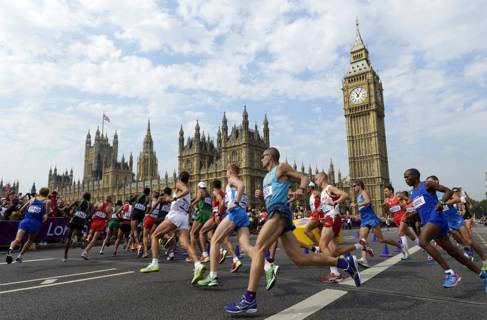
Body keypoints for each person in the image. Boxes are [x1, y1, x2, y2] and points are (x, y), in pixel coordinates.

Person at [224, 148, 360, 314]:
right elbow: (273, 196)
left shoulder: (281, 167)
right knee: (300, 259)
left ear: (270, 157)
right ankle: (344, 263)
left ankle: (249, 298)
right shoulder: (266, 177)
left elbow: (304, 177)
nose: (260, 159)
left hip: (279, 213)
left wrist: (301, 189)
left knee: (258, 249)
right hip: (275, 212)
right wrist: (260, 196)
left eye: (262, 156)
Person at [404, 168, 487, 289]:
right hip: (429, 222)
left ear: (415, 176)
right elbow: (423, 208)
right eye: (404, 178)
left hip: (437, 219)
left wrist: (442, 202)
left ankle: (450, 274)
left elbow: (447, 191)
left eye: (407, 176)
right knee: (454, 252)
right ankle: (483, 275)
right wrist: (412, 216)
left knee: (422, 241)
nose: (406, 179)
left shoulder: (426, 184)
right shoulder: (413, 194)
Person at [140, 171, 206, 285]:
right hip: (184, 218)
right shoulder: (187, 194)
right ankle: (198, 264)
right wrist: (170, 199)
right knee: (185, 243)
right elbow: (187, 203)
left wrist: (174, 199)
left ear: (180, 178)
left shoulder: (179, 184)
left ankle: (155, 263)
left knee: (154, 235)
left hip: (175, 216)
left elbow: (185, 191)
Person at [197, 164, 258, 287]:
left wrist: (234, 202)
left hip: (235, 213)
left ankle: (213, 276)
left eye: (226, 171)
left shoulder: (232, 180)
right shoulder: (236, 183)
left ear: (230, 172)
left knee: (214, 240)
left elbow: (241, 186)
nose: (226, 173)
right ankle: (269, 267)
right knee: (246, 246)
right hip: (242, 215)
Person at [315, 172, 374, 283]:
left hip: (332, 218)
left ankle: (335, 273)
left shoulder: (329, 187)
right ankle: (360, 246)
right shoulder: (323, 192)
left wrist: (335, 202)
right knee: (335, 251)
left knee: (322, 245)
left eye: (316, 178)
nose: (315, 180)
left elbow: (345, 194)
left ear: (322, 178)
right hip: (332, 218)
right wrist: (321, 208)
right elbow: (328, 203)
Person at [427, 177, 487, 266]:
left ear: (436, 182)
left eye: (430, 181)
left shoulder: (443, 192)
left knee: (469, 240)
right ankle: (467, 249)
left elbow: (458, 199)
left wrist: (444, 203)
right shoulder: (429, 195)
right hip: (445, 222)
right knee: (456, 238)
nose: (428, 183)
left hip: (456, 220)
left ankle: (484, 260)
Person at [351, 180, 405, 268]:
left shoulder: (364, 192)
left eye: (354, 186)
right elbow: (364, 208)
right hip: (364, 220)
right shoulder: (358, 196)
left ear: (359, 185)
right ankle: (364, 260)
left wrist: (357, 204)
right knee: (362, 239)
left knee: (381, 240)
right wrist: (358, 215)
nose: (353, 188)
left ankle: (400, 246)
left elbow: (368, 201)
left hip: (371, 219)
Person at [198, 180, 240, 271]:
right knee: (214, 235)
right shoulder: (223, 193)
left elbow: (222, 203)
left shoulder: (217, 193)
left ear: (213, 187)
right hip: (220, 216)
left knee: (201, 232)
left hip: (217, 216)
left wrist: (217, 214)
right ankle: (232, 257)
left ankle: (205, 255)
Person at [6, 187, 51, 264]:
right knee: (30, 240)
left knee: (17, 240)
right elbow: (46, 215)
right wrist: (45, 215)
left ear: (40, 192)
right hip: (35, 223)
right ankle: (19, 256)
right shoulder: (47, 201)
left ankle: (10, 250)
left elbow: (21, 209)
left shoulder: (32, 199)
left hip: (25, 221)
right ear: (47, 193)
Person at [383, 184, 417, 258]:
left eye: (386, 191)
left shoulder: (398, 196)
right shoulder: (386, 200)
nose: (385, 193)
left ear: (391, 191)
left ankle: (406, 254)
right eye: (384, 191)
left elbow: (407, 202)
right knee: (410, 236)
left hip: (404, 217)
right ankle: (423, 245)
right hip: (396, 219)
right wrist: (385, 207)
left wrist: (400, 206)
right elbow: (387, 212)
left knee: (400, 233)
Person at [63, 192, 92, 261]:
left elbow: (68, 208)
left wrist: (68, 214)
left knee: (69, 237)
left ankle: (65, 256)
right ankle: (79, 240)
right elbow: (90, 214)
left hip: (74, 219)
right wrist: (85, 216)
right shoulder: (90, 204)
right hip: (81, 221)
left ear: (83, 196)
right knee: (77, 233)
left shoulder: (78, 201)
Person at [190, 182, 213, 261]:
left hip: (202, 213)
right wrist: (191, 200)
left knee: (192, 233)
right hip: (209, 214)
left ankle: (192, 255)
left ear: (199, 187)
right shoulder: (208, 194)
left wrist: (191, 205)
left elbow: (198, 197)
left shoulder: (200, 191)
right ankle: (204, 253)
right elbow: (197, 197)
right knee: (199, 234)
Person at [131, 187, 150, 257]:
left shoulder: (138, 195)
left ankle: (138, 245)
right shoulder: (148, 198)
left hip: (135, 212)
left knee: (134, 229)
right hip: (142, 214)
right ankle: (143, 244)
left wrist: (134, 196)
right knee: (143, 230)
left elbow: (130, 201)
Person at [303, 182, 322, 249]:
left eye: (307, 187)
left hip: (317, 215)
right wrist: (310, 212)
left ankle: (319, 246)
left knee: (306, 231)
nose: (306, 189)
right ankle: (328, 246)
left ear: (311, 187)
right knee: (320, 232)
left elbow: (323, 198)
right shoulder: (311, 195)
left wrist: (320, 208)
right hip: (316, 214)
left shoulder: (315, 193)